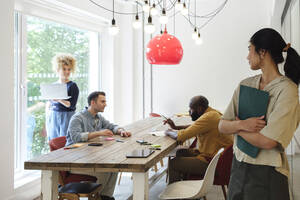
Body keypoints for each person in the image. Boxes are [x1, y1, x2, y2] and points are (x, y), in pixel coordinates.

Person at [218, 28, 300, 200]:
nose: (247, 56)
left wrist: (238, 128)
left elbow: (268, 141)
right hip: (239, 166)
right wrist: (241, 124)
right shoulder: (245, 85)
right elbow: (222, 125)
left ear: (262, 52)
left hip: (267, 172)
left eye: (250, 49)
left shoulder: (287, 90)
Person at [66, 91, 131, 200]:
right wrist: (99, 133)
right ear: (93, 102)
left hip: (88, 157)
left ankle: (105, 197)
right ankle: (98, 197)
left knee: (114, 167)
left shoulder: (98, 117)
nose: (105, 104)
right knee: (105, 169)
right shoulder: (77, 118)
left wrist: (120, 131)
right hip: (74, 161)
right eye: (102, 101)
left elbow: (111, 126)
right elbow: (76, 137)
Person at [164, 95, 233, 184]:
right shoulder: (212, 113)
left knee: (173, 164)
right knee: (181, 152)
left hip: (213, 162)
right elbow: (195, 126)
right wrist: (176, 127)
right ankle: (184, 186)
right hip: (216, 157)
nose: (189, 112)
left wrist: (168, 132)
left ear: (199, 108)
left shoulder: (209, 117)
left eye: (191, 109)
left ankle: (174, 195)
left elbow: (181, 136)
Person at [46, 53, 79, 140]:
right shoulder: (54, 85)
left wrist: (59, 100)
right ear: (58, 69)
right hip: (53, 115)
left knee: (65, 140)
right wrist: (47, 120)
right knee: (53, 140)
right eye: (64, 69)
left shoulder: (72, 85)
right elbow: (49, 103)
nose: (67, 72)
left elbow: (71, 105)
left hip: (67, 116)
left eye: (69, 69)